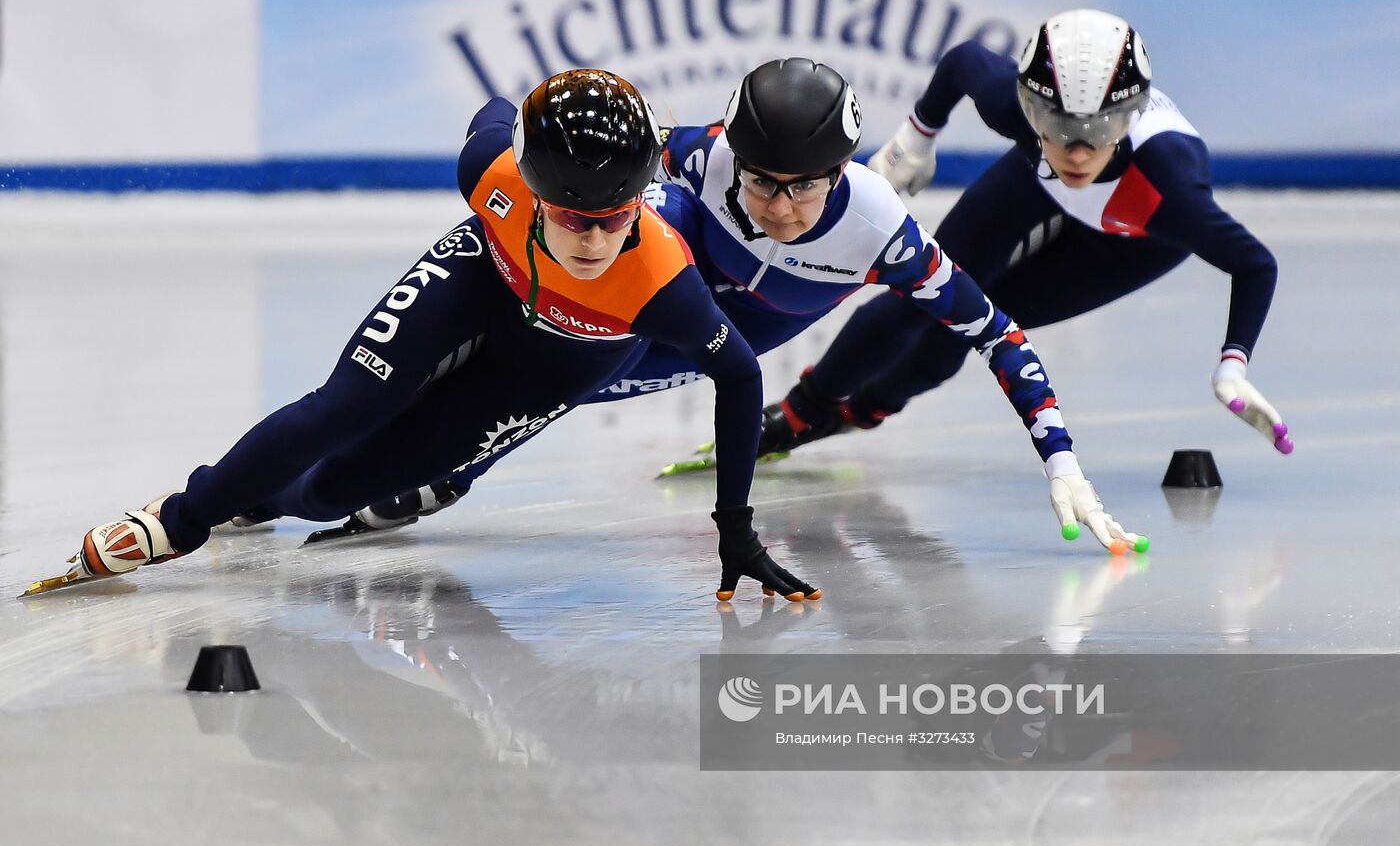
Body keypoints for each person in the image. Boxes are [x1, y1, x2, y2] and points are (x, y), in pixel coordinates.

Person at [54, 69, 819, 604]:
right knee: (343, 405)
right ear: (531, 185)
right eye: (569, 214)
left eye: (614, 218)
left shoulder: (662, 285)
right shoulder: (493, 169)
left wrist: (735, 528)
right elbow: (494, 111)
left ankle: (259, 495)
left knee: (332, 493)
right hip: (478, 278)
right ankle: (182, 516)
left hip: (560, 361)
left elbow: (742, 376)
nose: (590, 238)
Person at [355, 58, 1143, 553]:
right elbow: (589, 158)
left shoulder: (881, 232)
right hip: (675, 274)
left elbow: (996, 333)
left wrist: (1061, 456)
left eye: (804, 185)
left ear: (839, 172)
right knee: (609, 260)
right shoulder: (704, 152)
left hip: (710, 334)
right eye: (762, 180)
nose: (781, 205)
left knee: (583, 368)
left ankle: (450, 466)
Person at [774, 8, 1290, 460]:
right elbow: (962, 60)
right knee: (927, 294)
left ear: (1130, 117)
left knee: (972, 324)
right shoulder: (1014, 111)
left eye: (1101, 128)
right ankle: (801, 412)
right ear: (1030, 106)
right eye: (1057, 123)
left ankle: (860, 412)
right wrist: (916, 138)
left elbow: (1255, 264)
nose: (1078, 152)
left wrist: (1232, 367)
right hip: (1034, 182)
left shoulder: (1169, 190)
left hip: (1134, 236)